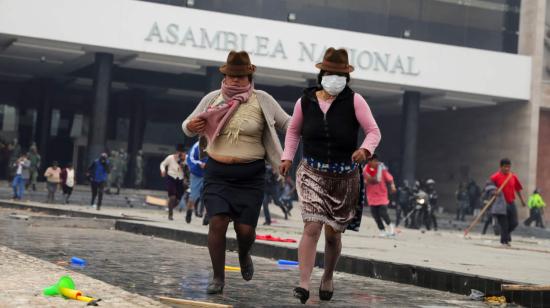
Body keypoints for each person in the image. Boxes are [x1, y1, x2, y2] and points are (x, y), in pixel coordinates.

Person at [182, 50, 290, 294]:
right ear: (225, 76)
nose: (235, 81)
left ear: (250, 78)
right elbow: (187, 126)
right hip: (217, 173)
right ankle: (218, 278)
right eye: (231, 76)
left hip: (250, 176)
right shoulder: (212, 98)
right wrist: (191, 125)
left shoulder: (262, 99)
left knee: (245, 230)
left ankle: (244, 254)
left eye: (240, 77)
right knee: (217, 222)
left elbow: (287, 124)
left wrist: (309, 123)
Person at [279, 48, 381, 304]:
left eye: (340, 74)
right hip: (312, 171)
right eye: (330, 73)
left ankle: (327, 275)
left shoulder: (356, 101)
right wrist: (287, 157)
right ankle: (303, 283)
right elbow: (293, 132)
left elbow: (373, 131)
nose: (335, 78)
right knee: (312, 225)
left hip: (344, 177)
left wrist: (364, 149)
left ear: (346, 77)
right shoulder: (306, 101)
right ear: (322, 73)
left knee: (333, 234)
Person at [490, 158, 526, 246]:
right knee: (504, 224)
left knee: (514, 223)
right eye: (505, 167)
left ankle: (505, 234)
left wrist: (522, 200)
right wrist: (494, 192)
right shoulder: (494, 177)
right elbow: (489, 187)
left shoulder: (512, 176)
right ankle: (504, 241)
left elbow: (517, 189)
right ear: (501, 167)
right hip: (501, 203)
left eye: (509, 167)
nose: (507, 169)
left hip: (511, 202)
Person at [364, 154, 396, 237]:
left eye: (375, 161)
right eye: (372, 161)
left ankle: (391, 228)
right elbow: (362, 179)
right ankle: (382, 230)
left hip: (382, 195)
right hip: (371, 195)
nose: (374, 163)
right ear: (369, 162)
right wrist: (365, 182)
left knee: (383, 212)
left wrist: (392, 186)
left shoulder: (382, 169)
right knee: (375, 215)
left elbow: (390, 178)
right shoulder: (365, 170)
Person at [160, 144, 187, 221]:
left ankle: (169, 207)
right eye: (179, 152)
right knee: (172, 197)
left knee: (177, 200)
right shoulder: (170, 158)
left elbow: (188, 169)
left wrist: (183, 162)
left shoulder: (186, 159)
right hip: (171, 177)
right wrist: (163, 170)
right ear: (176, 152)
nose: (180, 154)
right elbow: (162, 164)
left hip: (180, 179)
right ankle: (170, 214)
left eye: (182, 152)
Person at [186, 141, 208, 223]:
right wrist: (199, 163)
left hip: (209, 174)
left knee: (209, 196)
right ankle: (189, 212)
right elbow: (190, 158)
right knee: (193, 196)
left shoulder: (216, 143)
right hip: (197, 174)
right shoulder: (197, 145)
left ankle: (207, 216)